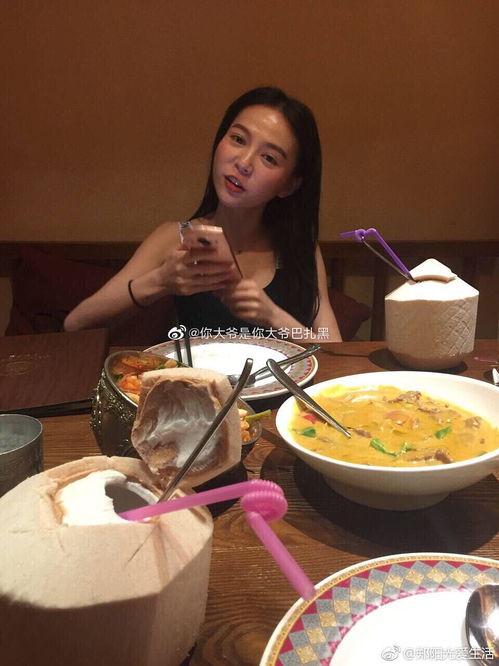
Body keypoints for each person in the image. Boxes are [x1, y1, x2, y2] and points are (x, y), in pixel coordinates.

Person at [64, 87, 342, 342]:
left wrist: (273, 316)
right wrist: (160, 281)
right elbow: (76, 323)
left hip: (283, 383)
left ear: (289, 185)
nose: (244, 163)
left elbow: (333, 347)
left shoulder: (298, 248)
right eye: (238, 139)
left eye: (269, 158)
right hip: (195, 382)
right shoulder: (174, 236)